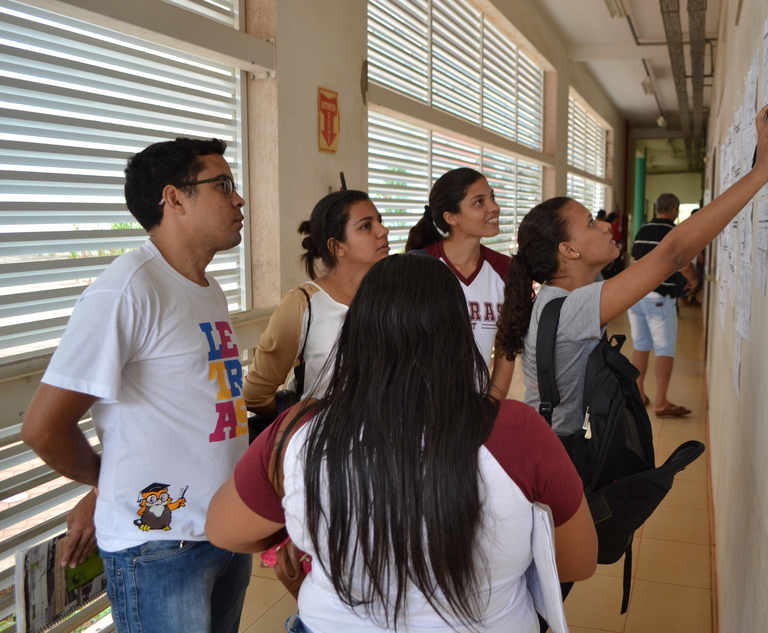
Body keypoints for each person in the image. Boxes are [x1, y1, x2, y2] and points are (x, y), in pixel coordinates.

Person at [205, 254, 598, 632]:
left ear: (356, 332)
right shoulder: (517, 431)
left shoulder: (302, 431)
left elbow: (226, 531)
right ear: (458, 334)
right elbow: (577, 563)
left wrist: (303, 527)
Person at [21, 138, 252, 633]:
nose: (239, 199)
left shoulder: (208, 290)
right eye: (224, 185)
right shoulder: (128, 288)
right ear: (174, 198)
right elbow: (44, 427)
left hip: (223, 529)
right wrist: (106, 483)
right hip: (161, 546)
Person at [496, 97, 768, 439]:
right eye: (590, 223)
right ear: (568, 250)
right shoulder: (572, 308)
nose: (605, 227)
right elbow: (672, 254)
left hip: (549, 446)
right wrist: (761, 171)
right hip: (558, 454)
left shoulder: (558, 299)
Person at [242, 190, 389, 429]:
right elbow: (255, 395)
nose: (383, 231)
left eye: (380, 221)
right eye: (365, 226)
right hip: (322, 452)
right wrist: (305, 420)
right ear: (337, 246)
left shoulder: (395, 297)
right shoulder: (304, 304)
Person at [405, 168, 515, 399]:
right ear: (451, 217)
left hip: (475, 407)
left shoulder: (505, 269)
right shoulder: (417, 266)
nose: (493, 207)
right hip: (418, 405)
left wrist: (491, 404)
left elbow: (506, 348)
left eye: (492, 197)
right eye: (478, 202)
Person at [627, 193, 699, 417]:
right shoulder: (672, 232)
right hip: (658, 299)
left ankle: (639, 395)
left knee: (641, 346)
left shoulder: (642, 230)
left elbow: (633, 262)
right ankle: (660, 401)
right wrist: (693, 279)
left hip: (635, 298)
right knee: (664, 349)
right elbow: (681, 261)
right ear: (674, 209)